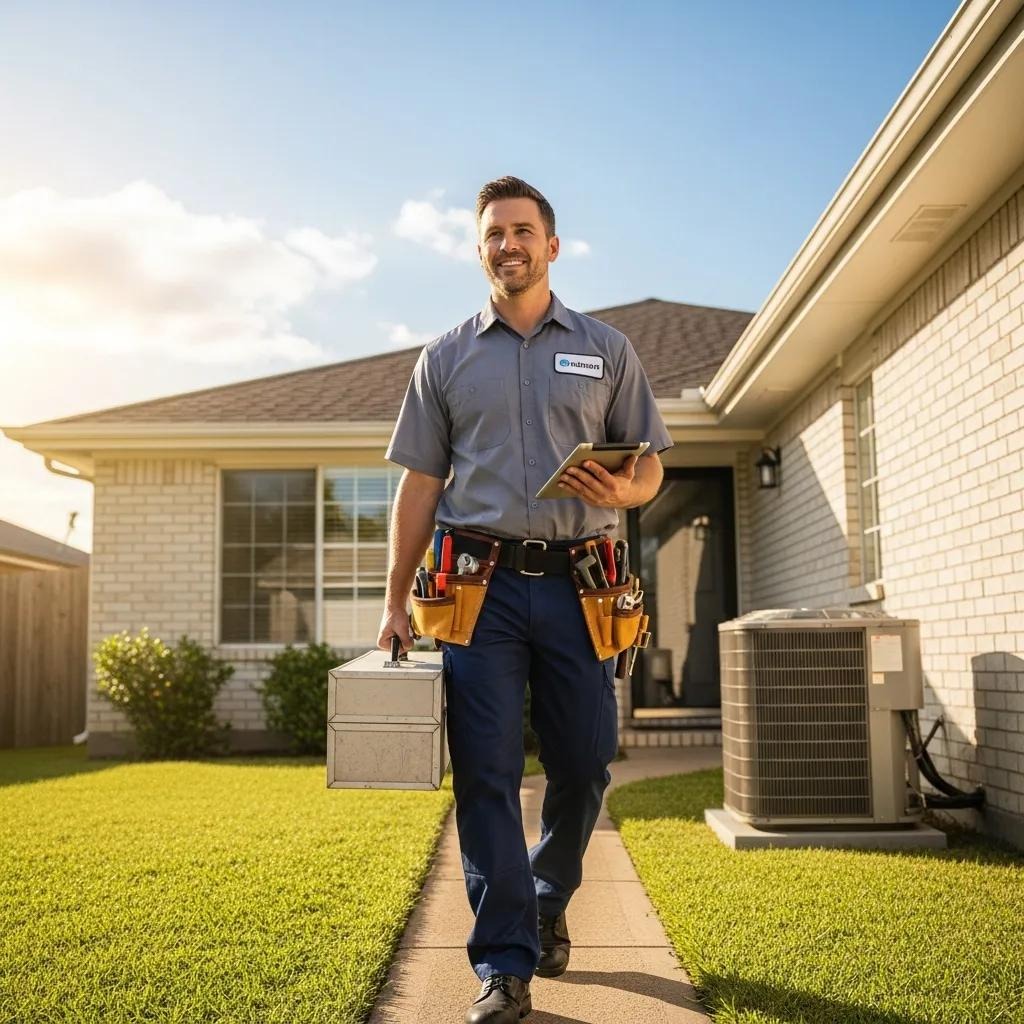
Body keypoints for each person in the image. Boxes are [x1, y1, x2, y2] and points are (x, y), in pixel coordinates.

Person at [378, 176, 672, 1024]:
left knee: (583, 763)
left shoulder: (607, 349)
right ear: (480, 251)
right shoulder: (444, 358)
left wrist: (627, 492)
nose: (509, 244)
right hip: (479, 587)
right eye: (494, 234)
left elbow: (649, 461)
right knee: (487, 774)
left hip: (586, 581)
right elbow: (420, 485)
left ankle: (548, 898)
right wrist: (396, 600)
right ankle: (504, 962)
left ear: (552, 245)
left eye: (523, 230)